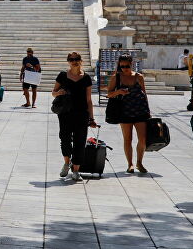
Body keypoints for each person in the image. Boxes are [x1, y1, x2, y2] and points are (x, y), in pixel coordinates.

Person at [51, 52, 97, 182]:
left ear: (81, 61)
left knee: (80, 141)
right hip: (65, 113)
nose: (74, 61)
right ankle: (67, 162)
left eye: (77, 59)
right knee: (64, 138)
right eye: (71, 59)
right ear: (68, 61)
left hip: (81, 113)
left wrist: (91, 118)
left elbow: (89, 100)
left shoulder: (86, 78)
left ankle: (76, 170)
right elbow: (53, 93)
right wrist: (59, 93)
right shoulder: (62, 76)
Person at [107, 54, 151, 173]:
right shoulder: (116, 77)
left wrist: (148, 111)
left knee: (142, 139)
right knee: (128, 139)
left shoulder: (139, 77)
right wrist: (119, 91)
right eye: (122, 66)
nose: (124, 68)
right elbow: (109, 94)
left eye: (126, 66)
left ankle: (139, 162)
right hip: (124, 111)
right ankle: (130, 164)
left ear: (131, 64)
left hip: (140, 111)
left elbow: (144, 94)